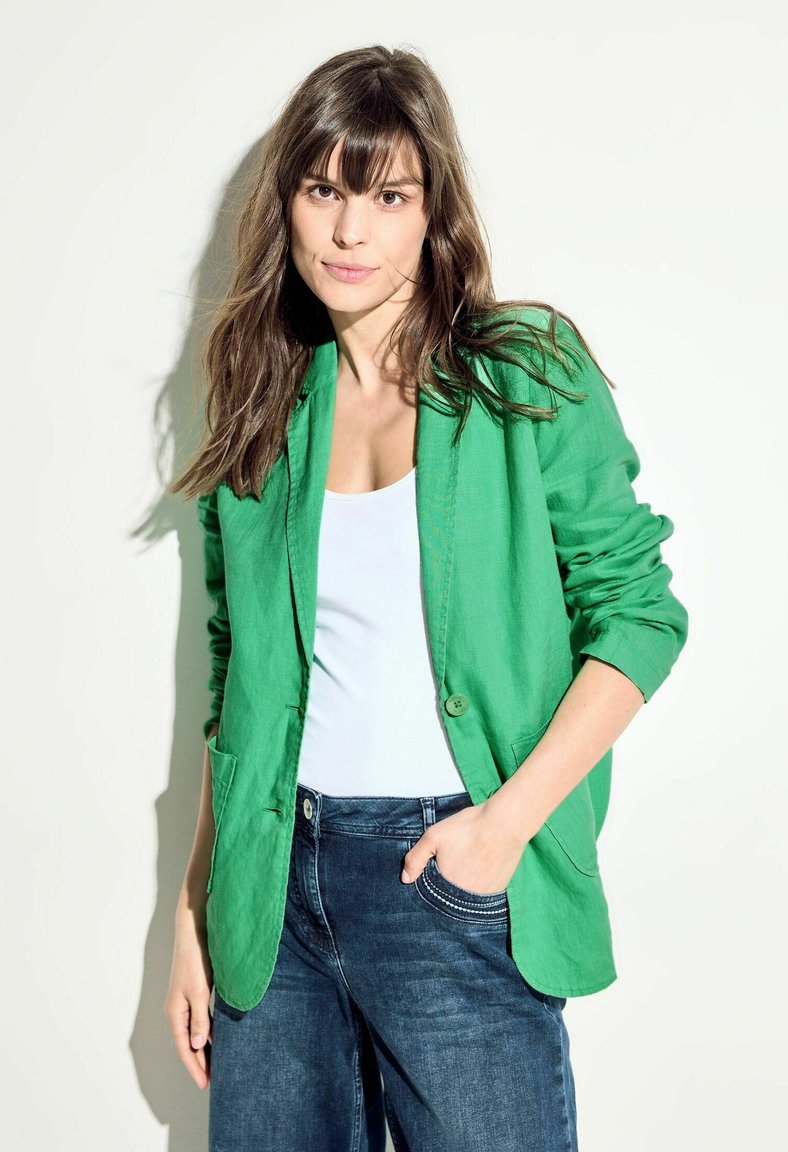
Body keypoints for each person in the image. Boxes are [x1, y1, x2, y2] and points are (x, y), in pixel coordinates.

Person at [165, 43, 689, 1152]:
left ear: (432, 209)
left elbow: (638, 613)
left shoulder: (524, 373)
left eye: (388, 196)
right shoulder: (264, 402)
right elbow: (233, 674)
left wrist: (504, 825)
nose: (350, 233)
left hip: (447, 880)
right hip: (272, 898)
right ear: (286, 204)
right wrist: (195, 905)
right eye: (324, 191)